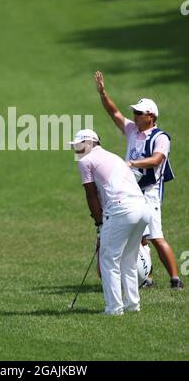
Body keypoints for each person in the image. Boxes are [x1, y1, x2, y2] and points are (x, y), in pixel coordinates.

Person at [94, 71, 183, 289]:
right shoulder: (132, 130)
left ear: (150, 115)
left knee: (155, 236)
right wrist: (103, 93)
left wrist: (132, 164)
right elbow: (114, 113)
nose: (135, 115)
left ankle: (175, 279)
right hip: (131, 192)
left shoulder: (160, 137)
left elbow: (157, 159)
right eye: (134, 112)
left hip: (150, 192)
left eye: (139, 113)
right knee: (137, 238)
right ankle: (145, 278)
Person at [70, 129, 151, 315]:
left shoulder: (85, 161)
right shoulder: (113, 156)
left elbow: (90, 194)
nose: (76, 150)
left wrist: (99, 224)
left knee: (109, 259)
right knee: (128, 260)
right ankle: (132, 305)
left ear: (89, 143)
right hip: (142, 208)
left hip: (121, 210)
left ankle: (114, 309)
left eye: (78, 146)